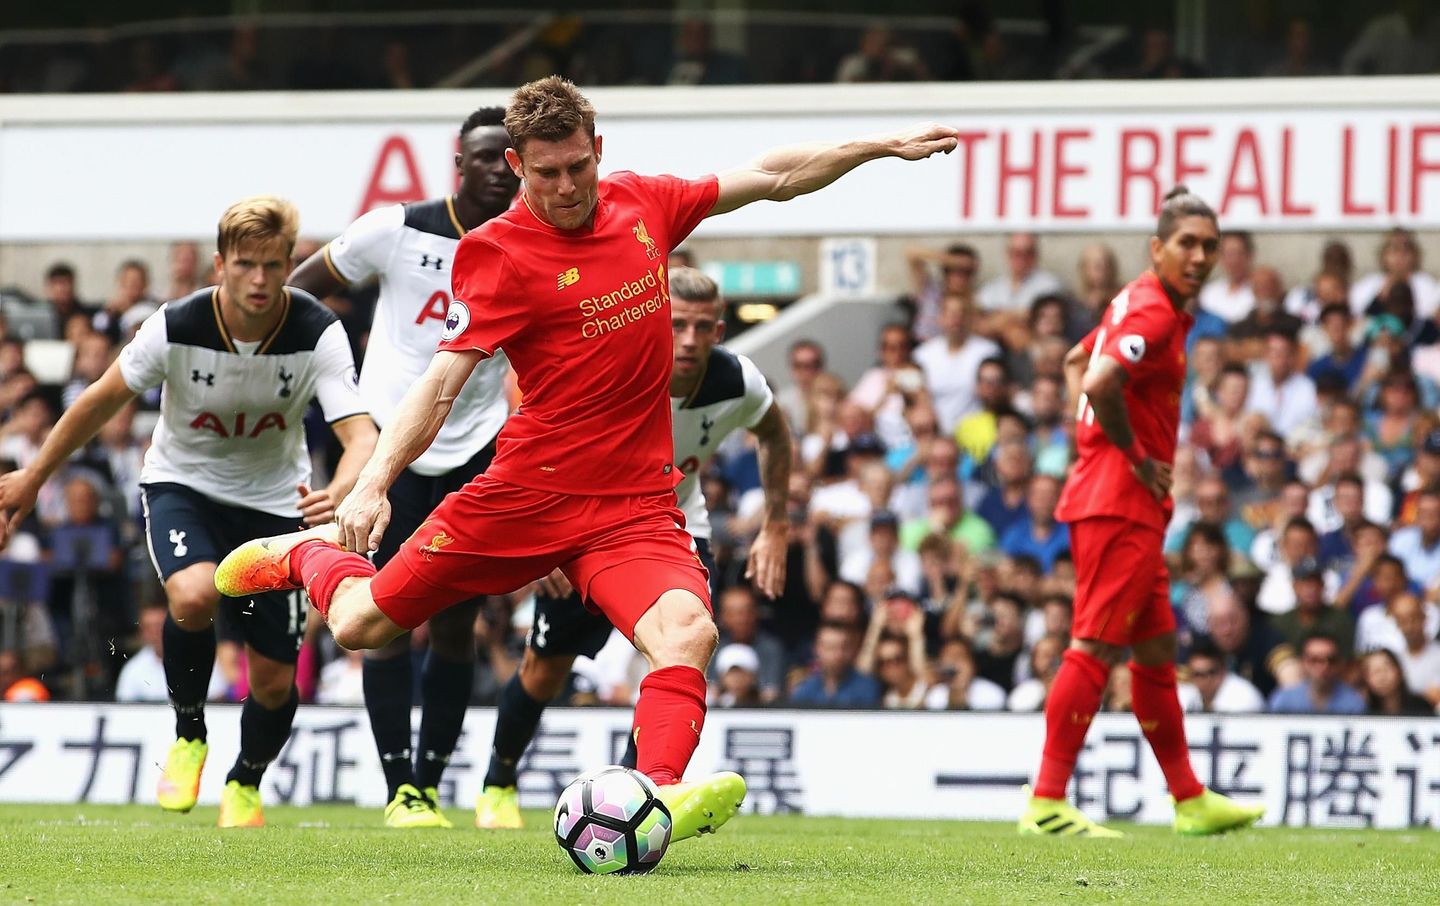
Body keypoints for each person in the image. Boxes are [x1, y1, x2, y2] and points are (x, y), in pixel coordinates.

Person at [215, 77, 947, 839]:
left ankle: (656, 795)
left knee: (688, 633)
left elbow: (773, 177)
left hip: (632, 506)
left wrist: (877, 147)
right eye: (545, 172)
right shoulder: (497, 252)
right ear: (517, 165)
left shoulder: (644, 204)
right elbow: (441, 384)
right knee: (364, 626)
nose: (565, 187)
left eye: (577, 167)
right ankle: (308, 557)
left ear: (598, 151)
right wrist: (372, 486)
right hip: (526, 495)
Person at [0, 196, 377, 827]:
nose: (259, 280)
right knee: (194, 594)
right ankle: (189, 734)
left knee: (275, 682)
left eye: (273, 265)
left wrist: (343, 488)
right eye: (246, 264)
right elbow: (100, 399)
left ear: (290, 263)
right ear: (220, 263)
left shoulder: (315, 329)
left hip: (277, 506)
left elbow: (360, 434)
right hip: (183, 486)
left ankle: (246, 782)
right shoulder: (177, 324)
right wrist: (35, 476)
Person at [472, 266, 791, 829]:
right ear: (655, 321)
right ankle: (497, 783)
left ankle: (642, 795)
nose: (688, 340)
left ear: (718, 332)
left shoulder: (738, 382)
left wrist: (777, 523)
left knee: (678, 648)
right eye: (677, 325)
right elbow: (538, 442)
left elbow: (773, 433)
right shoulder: (615, 368)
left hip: (676, 529)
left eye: (701, 328)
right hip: (588, 527)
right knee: (544, 671)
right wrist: (547, 544)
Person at [287, 106, 521, 829]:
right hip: (389, 448)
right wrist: (327, 376)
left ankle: (429, 780)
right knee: (379, 616)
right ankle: (400, 790)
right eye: (481, 155)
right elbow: (303, 287)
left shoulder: (535, 242)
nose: (493, 167)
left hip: (476, 447)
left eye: (504, 157)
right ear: (459, 163)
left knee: (456, 624)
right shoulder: (397, 228)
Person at [1018, 186, 1264, 838]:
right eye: (1188, 243)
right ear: (1158, 247)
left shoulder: (1138, 303)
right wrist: (1124, 451)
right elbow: (1098, 382)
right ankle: (1045, 801)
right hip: (1119, 502)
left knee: (1156, 652)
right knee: (1093, 645)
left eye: (1210, 245)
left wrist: (1091, 441)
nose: (1201, 255)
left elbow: (1078, 362)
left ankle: (1188, 798)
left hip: (1125, 499)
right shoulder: (1153, 314)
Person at [1268, 632, 1366, 714]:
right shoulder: (1284, 700)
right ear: (1303, 662)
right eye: (1314, 660)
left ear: (1339, 663)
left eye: (1330, 660)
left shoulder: (1354, 703)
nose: (1323, 666)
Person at [1176, 637, 1265, 713]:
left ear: (1222, 672)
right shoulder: (1188, 693)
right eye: (1196, 674)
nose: (1202, 681)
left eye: (1208, 673)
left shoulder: (1243, 698)